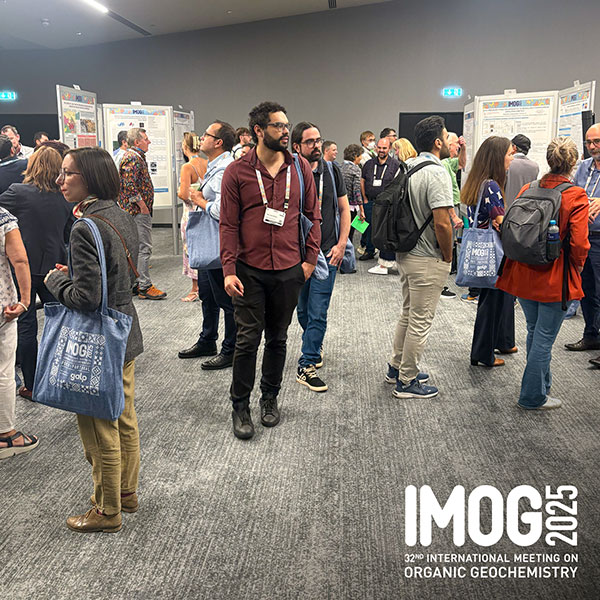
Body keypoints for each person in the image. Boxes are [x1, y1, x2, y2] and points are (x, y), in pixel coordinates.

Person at [44, 146, 143, 533]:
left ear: (90, 179)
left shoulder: (85, 226)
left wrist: (57, 282)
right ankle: (126, 493)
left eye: (68, 173)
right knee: (124, 417)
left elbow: (86, 298)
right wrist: (78, 274)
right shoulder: (119, 214)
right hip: (124, 330)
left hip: (98, 342)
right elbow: (118, 272)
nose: (60, 180)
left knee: (100, 427)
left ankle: (107, 510)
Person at [220, 101, 320, 439]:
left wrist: (310, 260)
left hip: (290, 268)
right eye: (278, 126)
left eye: (286, 125)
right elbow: (228, 224)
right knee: (247, 339)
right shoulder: (237, 172)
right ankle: (240, 405)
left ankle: (270, 398)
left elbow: (313, 214)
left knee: (278, 337)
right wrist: (228, 269)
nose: (285, 131)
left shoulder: (300, 167)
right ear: (259, 131)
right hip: (248, 269)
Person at [496, 138, 589, 408]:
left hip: (522, 272)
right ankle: (532, 396)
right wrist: (578, 266)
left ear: (549, 160)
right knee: (544, 338)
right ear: (573, 162)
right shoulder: (576, 195)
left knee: (534, 331)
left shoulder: (528, 188)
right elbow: (579, 243)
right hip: (554, 276)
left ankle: (542, 387)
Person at [386, 116, 453, 399]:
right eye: (447, 137)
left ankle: (396, 367)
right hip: (427, 257)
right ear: (437, 142)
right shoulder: (437, 173)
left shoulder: (409, 166)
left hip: (406, 252)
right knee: (420, 320)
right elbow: (442, 223)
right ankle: (407, 381)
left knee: (408, 313)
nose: (449, 142)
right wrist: (448, 257)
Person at [0, 146, 73, 400]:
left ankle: (31, 385)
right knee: (61, 323)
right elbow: (70, 232)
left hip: (24, 269)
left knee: (26, 325)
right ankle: (61, 377)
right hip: (56, 268)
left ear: (32, 165)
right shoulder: (65, 197)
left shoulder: (17, 193)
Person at [292, 122, 350, 392]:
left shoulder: (331, 170)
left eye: (318, 140)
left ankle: (307, 363)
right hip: (297, 255)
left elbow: (344, 209)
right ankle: (313, 342)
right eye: (310, 142)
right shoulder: (290, 172)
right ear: (297, 147)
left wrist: (341, 244)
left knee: (318, 310)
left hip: (327, 252)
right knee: (302, 310)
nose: (317, 145)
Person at [183, 121, 237, 370]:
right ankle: (207, 340)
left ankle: (231, 350)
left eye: (206, 135)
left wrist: (199, 200)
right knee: (207, 294)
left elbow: (224, 211)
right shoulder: (214, 165)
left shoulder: (226, 170)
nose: (201, 138)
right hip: (210, 242)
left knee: (227, 301)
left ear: (218, 142)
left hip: (220, 244)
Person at [461, 136, 516, 367]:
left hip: (484, 249)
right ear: (498, 157)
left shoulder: (478, 182)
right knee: (491, 301)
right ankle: (483, 353)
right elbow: (500, 221)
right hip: (494, 252)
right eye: (510, 154)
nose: (512, 159)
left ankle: (502, 341)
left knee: (498, 297)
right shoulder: (492, 186)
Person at [0, 206, 38, 460]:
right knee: (3, 369)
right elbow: (20, 260)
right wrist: (25, 300)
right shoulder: (2, 218)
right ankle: (6, 435)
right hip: (3, 307)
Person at [564, 123, 600, 364]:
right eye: (588, 142)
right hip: (583, 237)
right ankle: (591, 336)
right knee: (586, 290)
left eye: (597, 141)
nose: (592, 147)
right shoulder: (584, 167)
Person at [118, 128, 167, 300]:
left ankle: (135, 283)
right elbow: (128, 184)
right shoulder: (132, 157)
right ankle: (144, 285)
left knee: (135, 248)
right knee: (144, 248)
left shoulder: (135, 157)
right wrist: (142, 205)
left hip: (135, 210)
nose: (149, 142)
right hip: (137, 211)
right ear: (137, 142)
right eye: (146, 139)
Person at [177, 132, 207, 302]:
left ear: (184, 147)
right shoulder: (206, 163)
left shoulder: (187, 167)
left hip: (191, 213)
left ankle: (195, 288)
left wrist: (181, 192)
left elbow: (183, 194)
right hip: (204, 211)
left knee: (190, 250)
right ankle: (206, 285)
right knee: (205, 248)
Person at [360, 137, 400, 262]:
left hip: (386, 204)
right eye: (379, 148)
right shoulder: (369, 164)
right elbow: (362, 181)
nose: (381, 150)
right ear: (376, 148)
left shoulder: (395, 165)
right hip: (370, 201)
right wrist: (364, 199)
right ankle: (369, 250)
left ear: (389, 149)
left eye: (384, 148)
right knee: (368, 227)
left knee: (385, 229)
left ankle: (384, 255)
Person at [440, 132, 467, 297]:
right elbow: (445, 192)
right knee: (446, 244)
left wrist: (464, 148)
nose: (458, 146)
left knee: (450, 243)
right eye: (456, 143)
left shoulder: (448, 162)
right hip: (449, 208)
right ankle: (441, 285)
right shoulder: (443, 164)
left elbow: (462, 163)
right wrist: (453, 215)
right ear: (448, 145)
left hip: (454, 205)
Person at [341, 143, 366, 247]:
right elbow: (356, 191)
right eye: (360, 155)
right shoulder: (356, 169)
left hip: (340, 205)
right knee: (349, 234)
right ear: (355, 156)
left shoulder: (340, 167)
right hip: (351, 207)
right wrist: (362, 210)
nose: (361, 158)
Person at [505, 134, 539, 208]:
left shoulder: (508, 164)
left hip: (508, 209)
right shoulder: (535, 167)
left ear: (514, 147)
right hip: (526, 209)